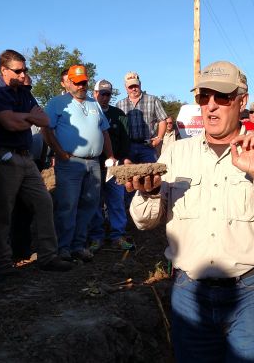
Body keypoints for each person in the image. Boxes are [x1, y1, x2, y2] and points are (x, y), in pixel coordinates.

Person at [127, 60, 254, 361]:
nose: (211, 106)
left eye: (222, 97)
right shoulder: (176, 153)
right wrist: (147, 192)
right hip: (190, 293)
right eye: (204, 97)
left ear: (242, 101)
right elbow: (143, 222)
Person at [0, 49, 73, 272]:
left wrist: (22, 116)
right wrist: (27, 117)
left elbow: (44, 119)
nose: (24, 74)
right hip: (5, 157)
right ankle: (3, 262)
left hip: (27, 158)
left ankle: (48, 256)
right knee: (3, 210)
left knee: (44, 202)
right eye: (18, 70)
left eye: (25, 69)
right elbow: (9, 124)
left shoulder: (24, 92)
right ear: (3, 70)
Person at [42, 65, 114, 262]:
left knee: (90, 205)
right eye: (78, 82)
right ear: (68, 83)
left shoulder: (94, 103)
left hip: (94, 163)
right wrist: (59, 152)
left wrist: (111, 156)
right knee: (68, 205)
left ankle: (78, 245)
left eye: (84, 82)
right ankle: (63, 247)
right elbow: (46, 129)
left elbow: (104, 131)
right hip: (70, 162)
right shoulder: (57, 103)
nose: (82, 85)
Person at [88, 79, 133, 252]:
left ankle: (118, 235)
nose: (105, 97)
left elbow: (125, 139)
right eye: (102, 93)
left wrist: (125, 159)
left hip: (115, 166)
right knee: (95, 202)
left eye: (108, 94)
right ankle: (95, 237)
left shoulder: (119, 114)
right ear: (95, 93)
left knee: (116, 201)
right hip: (94, 164)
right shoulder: (89, 112)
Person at [115, 71, 168, 164]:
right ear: (125, 87)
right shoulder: (119, 104)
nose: (133, 89)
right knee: (129, 177)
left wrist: (159, 139)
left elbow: (163, 120)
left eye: (136, 86)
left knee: (151, 176)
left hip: (148, 147)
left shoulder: (153, 100)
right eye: (130, 87)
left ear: (140, 84)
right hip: (127, 148)